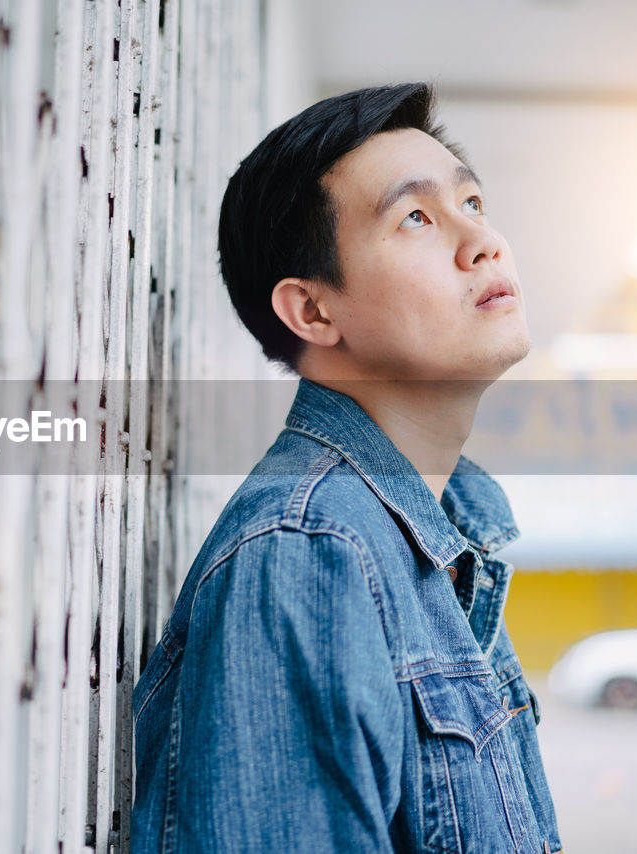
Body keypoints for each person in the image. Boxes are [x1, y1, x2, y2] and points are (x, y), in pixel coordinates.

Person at [130, 83, 562, 853]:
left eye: (473, 202)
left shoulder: (436, 534)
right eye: (418, 218)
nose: (483, 241)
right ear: (313, 312)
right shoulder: (310, 553)